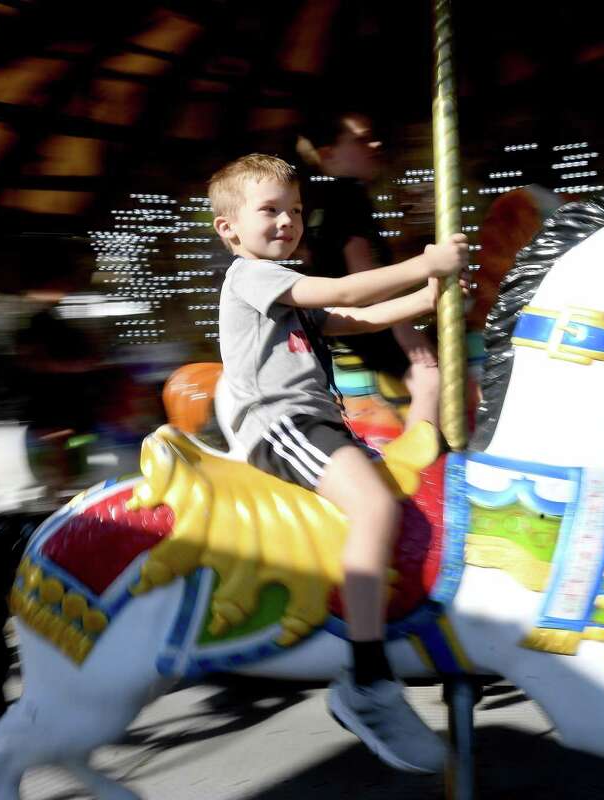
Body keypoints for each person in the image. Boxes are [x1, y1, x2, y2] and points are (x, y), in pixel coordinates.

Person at [211, 153, 467, 773]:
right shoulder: (251, 277)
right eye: (269, 210)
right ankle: (367, 675)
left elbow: (361, 315)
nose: (286, 222)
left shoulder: (287, 294)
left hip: (319, 422)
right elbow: (347, 289)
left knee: (414, 483)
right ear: (229, 229)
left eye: (295, 211)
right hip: (283, 427)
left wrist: (429, 293)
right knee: (376, 503)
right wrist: (423, 263)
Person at [297, 112, 441, 430]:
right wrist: (404, 329)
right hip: (365, 322)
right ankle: (422, 468)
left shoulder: (320, 201)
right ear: (328, 153)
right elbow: (362, 268)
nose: (374, 144)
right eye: (360, 140)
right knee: (431, 378)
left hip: (339, 322)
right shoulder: (349, 196)